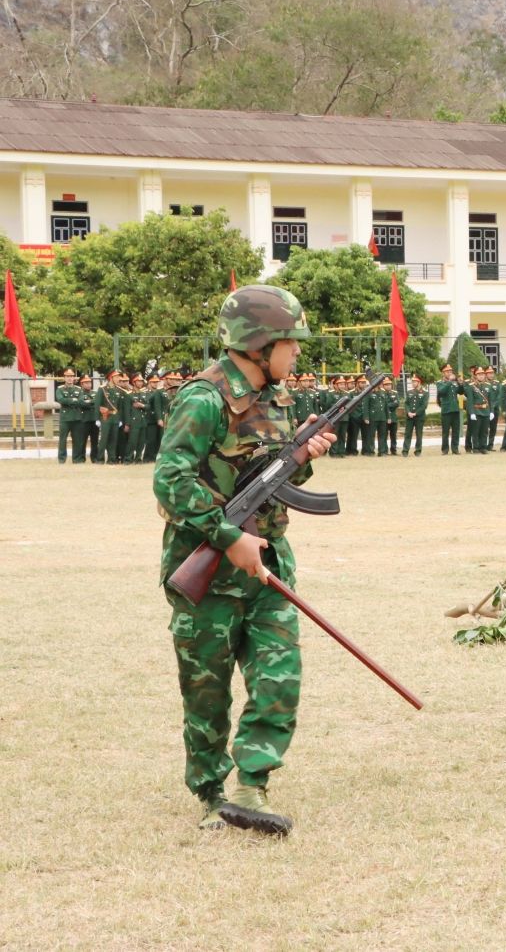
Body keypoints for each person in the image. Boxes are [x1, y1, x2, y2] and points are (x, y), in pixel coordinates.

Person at [152, 284, 338, 836]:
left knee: (278, 677)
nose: (297, 353)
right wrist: (226, 534)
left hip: (269, 564)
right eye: (291, 343)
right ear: (260, 343)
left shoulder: (275, 400)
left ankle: (250, 786)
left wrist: (300, 457)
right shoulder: (204, 398)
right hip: (209, 567)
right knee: (206, 689)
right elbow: (170, 480)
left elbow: (270, 481)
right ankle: (212, 793)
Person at [435, 365, 463, 455]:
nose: (449, 373)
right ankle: (445, 449)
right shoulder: (440, 383)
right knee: (445, 432)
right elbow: (441, 392)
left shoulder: (454, 382)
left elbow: (461, 392)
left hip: (455, 409)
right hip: (446, 410)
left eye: (450, 371)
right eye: (447, 372)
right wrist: (449, 382)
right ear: (443, 373)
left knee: (456, 431)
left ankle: (455, 449)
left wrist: (460, 383)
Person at [402, 374, 428, 456]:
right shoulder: (410, 392)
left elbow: (424, 405)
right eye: (412, 382)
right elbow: (406, 404)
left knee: (419, 434)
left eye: (415, 382)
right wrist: (408, 412)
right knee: (407, 434)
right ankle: (405, 450)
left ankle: (418, 450)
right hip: (409, 416)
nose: (413, 383)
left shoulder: (425, 393)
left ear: (419, 382)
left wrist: (416, 413)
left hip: (419, 417)